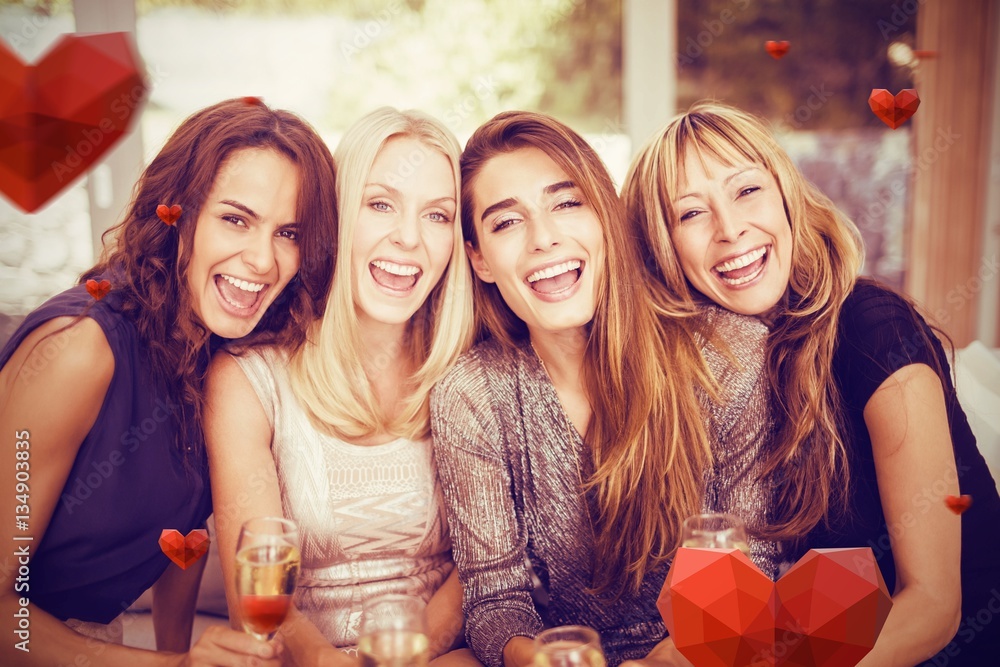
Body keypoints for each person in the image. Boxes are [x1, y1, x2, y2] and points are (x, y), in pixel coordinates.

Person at [621, 101, 1000, 666]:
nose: (730, 230)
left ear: (784, 194)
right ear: (661, 247)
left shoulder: (875, 330)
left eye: (746, 191)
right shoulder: (704, 365)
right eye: (691, 214)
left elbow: (934, 606)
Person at [0, 97, 339, 666]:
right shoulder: (78, 352)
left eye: (289, 233)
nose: (262, 260)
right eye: (236, 218)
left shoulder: (221, 346)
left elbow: (183, 537)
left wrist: (184, 651)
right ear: (175, 213)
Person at [429, 111, 763, 667]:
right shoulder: (471, 394)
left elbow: (755, 562)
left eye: (566, 203)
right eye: (507, 222)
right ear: (479, 259)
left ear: (606, 218)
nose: (544, 238)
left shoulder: (726, 355)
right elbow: (494, 600)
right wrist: (537, 658)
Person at [204, 107, 475, 666]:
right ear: (336, 216)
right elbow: (254, 591)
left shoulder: (469, 373)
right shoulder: (249, 381)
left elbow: (486, 565)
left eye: (437, 215)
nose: (408, 238)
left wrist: (410, 652)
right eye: (380, 204)